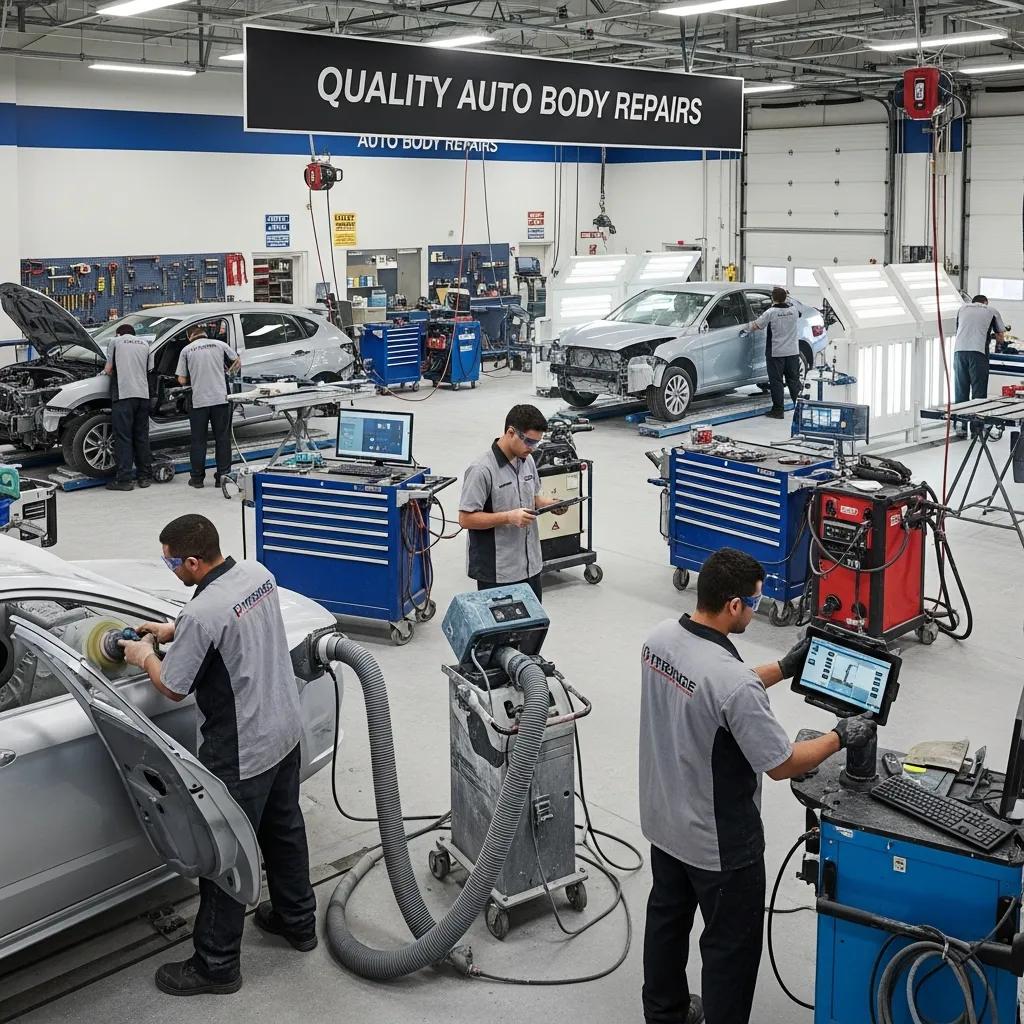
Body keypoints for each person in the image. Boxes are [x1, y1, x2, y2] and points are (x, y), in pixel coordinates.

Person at [639, 548, 876, 1024]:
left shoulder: (660, 637)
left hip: (664, 819)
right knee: (730, 948)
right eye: (753, 602)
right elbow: (782, 762)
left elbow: (715, 688)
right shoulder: (731, 683)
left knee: (667, 919)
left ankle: (663, 1013)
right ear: (732, 606)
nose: (755, 608)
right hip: (719, 843)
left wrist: (785, 668)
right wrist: (839, 736)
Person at [119, 514, 317, 996]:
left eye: (171, 562)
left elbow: (173, 686)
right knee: (283, 829)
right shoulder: (255, 574)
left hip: (242, 748)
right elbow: (229, 626)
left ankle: (216, 963)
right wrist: (173, 630)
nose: (170, 569)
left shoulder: (201, 614)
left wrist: (143, 655)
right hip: (283, 728)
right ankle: (298, 921)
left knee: (225, 854)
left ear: (191, 560)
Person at [458, 404, 566, 600]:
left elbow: (530, 498)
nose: (532, 449)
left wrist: (548, 503)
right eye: (529, 442)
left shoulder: (528, 460)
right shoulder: (482, 469)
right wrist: (509, 517)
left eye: (536, 443)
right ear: (510, 432)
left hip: (530, 565)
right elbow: (466, 519)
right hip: (498, 571)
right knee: (502, 630)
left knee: (534, 627)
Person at [175, 323, 240, 489]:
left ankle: (197, 479)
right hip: (220, 399)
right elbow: (237, 362)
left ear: (190, 336)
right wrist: (227, 373)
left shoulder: (187, 350)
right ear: (205, 334)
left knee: (198, 441)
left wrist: (193, 377)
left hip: (199, 401)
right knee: (222, 439)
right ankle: (223, 477)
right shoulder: (220, 345)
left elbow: (181, 380)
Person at [103, 323, 153, 491]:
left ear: (119, 334)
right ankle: (144, 477)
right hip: (143, 395)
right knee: (142, 437)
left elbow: (108, 369)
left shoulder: (115, 342)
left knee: (123, 437)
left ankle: (125, 480)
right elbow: (149, 369)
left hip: (124, 395)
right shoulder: (145, 345)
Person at [746, 286, 803, 420]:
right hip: (792, 352)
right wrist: (788, 297)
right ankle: (800, 410)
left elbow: (756, 326)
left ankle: (778, 410)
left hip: (776, 353)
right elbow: (799, 305)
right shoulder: (794, 310)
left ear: (773, 298)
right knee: (793, 381)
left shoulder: (770, 312)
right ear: (785, 297)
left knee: (776, 382)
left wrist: (745, 327)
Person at [954, 294, 1006, 415]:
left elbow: (959, 329)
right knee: (979, 390)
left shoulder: (962, 309)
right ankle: (976, 427)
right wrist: (999, 344)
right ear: (985, 302)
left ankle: (960, 425)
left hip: (959, 353)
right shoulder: (991, 311)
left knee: (961, 389)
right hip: (978, 353)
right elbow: (1000, 336)